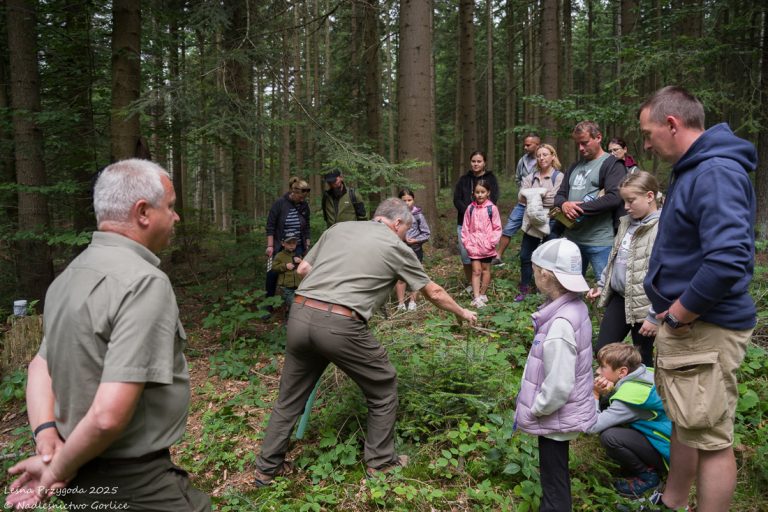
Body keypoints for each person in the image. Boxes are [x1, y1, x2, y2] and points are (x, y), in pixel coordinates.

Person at [4, 159, 210, 511]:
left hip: (83, 477)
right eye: (171, 207)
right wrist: (58, 470)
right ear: (143, 212)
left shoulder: (68, 277)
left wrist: (48, 442)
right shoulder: (144, 282)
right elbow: (107, 416)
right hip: (135, 483)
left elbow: (40, 366)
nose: (176, 218)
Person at [252, 198, 477, 486]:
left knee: (289, 397)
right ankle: (381, 463)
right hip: (340, 325)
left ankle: (266, 470)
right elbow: (432, 292)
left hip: (300, 313)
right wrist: (461, 311)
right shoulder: (397, 247)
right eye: (407, 230)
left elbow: (302, 270)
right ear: (396, 223)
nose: (407, 237)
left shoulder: (339, 228)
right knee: (383, 385)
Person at [639, 86, 757, 512]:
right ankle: (671, 501)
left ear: (672, 124)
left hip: (705, 327)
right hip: (693, 327)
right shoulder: (695, 169)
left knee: (710, 439)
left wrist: (679, 315)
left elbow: (727, 260)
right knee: (689, 423)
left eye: (648, 133)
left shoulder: (714, 172)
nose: (646, 143)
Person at [514, 238, 596, 512]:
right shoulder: (575, 307)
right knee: (555, 474)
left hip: (554, 415)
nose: (534, 275)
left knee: (554, 485)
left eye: (535, 271)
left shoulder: (560, 324)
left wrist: (539, 409)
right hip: (560, 414)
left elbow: (559, 383)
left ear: (545, 275)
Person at [586, 171, 661, 367]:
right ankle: (606, 395)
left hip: (645, 305)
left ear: (650, 196)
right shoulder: (626, 223)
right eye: (624, 202)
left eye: (631, 201)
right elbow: (615, 257)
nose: (626, 207)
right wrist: (603, 284)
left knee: (642, 360)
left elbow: (666, 275)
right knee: (603, 350)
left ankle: (642, 396)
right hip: (620, 299)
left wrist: (654, 315)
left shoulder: (661, 228)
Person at [587, 343, 671, 499]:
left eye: (602, 367)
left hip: (668, 452)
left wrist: (595, 395)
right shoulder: (646, 373)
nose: (597, 371)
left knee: (610, 437)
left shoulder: (629, 397)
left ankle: (648, 476)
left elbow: (591, 426)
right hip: (677, 442)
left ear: (622, 372)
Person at [554, 120, 626, 280]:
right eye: (578, 144)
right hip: (572, 239)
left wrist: (578, 209)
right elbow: (559, 195)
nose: (580, 148)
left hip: (600, 241)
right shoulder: (574, 166)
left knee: (607, 289)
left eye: (585, 143)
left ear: (598, 137)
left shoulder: (613, 164)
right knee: (569, 287)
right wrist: (564, 204)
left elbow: (614, 198)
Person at [514, 143, 565, 302]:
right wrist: (540, 196)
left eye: (545, 154)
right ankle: (525, 289)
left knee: (547, 258)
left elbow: (555, 199)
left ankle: (546, 293)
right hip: (531, 223)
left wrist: (533, 197)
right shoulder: (530, 177)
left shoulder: (559, 176)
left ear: (552, 156)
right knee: (525, 256)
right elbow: (521, 198)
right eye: (539, 155)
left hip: (552, 221)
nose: (541, 158)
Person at [453, 151, 500, 293]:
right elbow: (457, 199)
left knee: (484, 260)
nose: (476, 164)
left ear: (484, 162)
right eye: (473, 161)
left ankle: (482, 289)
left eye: (479, 161)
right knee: (466, 255)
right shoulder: (463, 179)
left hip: (485, 226)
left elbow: (494, 198)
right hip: (465, 223)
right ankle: (471, 284)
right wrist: (469, 211)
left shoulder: (491, 178)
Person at [494, 134, 541, 265]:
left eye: (528, 145)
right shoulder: (523, 160)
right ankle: (498, 256)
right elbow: (518, 178)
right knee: (509, 228)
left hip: (538, 205)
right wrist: (522, 192)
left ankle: (536, 260)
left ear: (537, 145)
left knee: (536, 232)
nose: (525, 147)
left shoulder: (543, 158)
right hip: (522, 203)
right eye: (525, 144)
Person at [266, 177, 311, 298]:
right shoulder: (280, 203)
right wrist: (270, 246)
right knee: (272, 272)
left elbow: (307, 226)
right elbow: (270, 226)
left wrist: (307, 243)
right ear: (294, 192)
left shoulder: (304, 205)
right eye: (300, 197)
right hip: (279, 245)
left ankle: (294, 303)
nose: (302, 200)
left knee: (298, 273)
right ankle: (268, 304)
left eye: (304, 198)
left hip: (298, 246)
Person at [461, 179, 502, 308]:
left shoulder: (492, 209)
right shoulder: (470, 208)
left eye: (482, 192)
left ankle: (483, 293)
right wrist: (467, 243)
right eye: (477, 192)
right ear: (473, 193)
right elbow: (465, 227)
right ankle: (476, 296)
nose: (480, 195)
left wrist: (492, 242)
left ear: (488, 193)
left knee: (485, 270)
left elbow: (497, 227)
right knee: (476, 271)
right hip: (473, 247)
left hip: (487, 247)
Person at [395, 188, 431, 312]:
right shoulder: (395, 216)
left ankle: (412, 301)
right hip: (400, 249)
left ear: (413, 200)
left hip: (415, 249)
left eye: (409, 200)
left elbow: (426, 233)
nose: (406, 203)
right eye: (403, 200)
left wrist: (416, 240)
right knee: (400, 276)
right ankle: (400, 303)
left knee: (415, 275)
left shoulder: (418, 215)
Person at [272, 232, 303, 310]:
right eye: (289, 243)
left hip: (298, 286)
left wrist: (301, 262)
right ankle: (288, 319)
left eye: (294, 243)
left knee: (297, 304)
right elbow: (274, 267)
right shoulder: (280, 255)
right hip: (286, 287)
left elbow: (304, 269)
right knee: (293, 304)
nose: (292, 245)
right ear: (283, 243)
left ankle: (290, 316)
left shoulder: (298, 254)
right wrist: (285, 266)